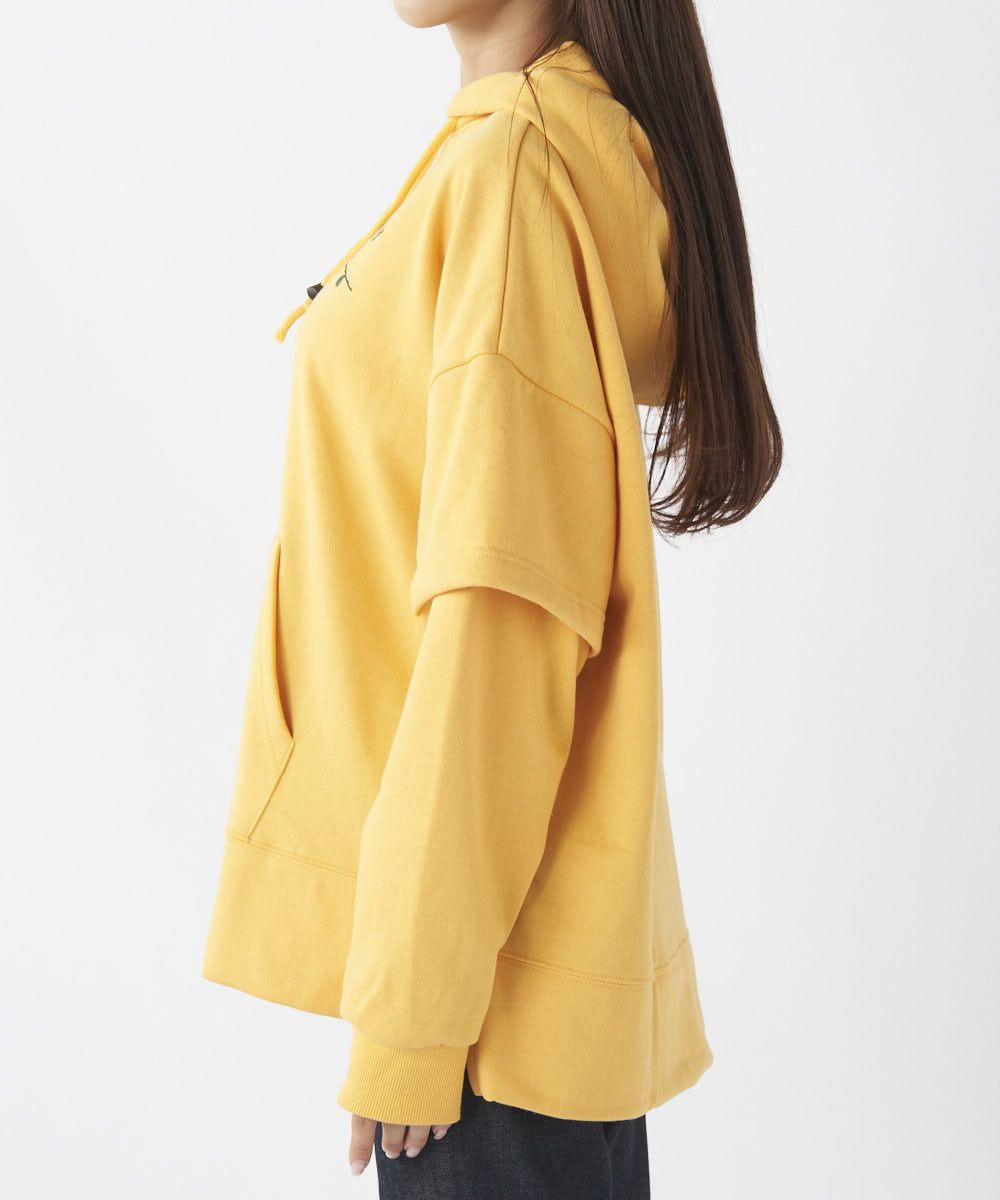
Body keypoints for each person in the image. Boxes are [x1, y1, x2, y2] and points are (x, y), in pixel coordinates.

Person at [202, 1, 782, 1195]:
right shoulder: (530, 152)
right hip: (521, 984)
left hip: (481, 1014)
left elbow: (499, 624)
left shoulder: (511, 169)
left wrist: (413, 1015)